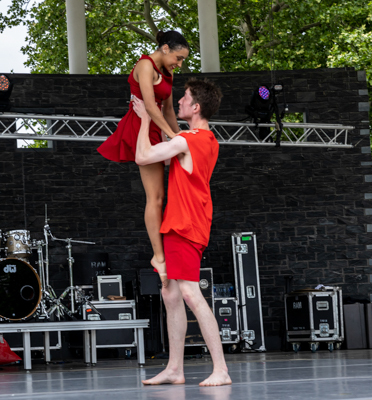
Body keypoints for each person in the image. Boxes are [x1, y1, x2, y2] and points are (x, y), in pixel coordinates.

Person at [133, 79, 232, 387]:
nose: (180, 102)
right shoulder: (205, 139)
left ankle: (221, 370)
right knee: (171, 293)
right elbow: (173, 139)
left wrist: (146, 117)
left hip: (185, 226)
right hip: (185, 224)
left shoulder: (189, 140)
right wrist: (162, 115)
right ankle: (175, 368)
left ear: (196, 107)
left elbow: (143, 156)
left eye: (184, 99)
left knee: (189, 293)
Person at [97, 31, 190, 287]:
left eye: (182, 60)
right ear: (165, 48)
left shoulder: (168, 73)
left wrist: (182, 138)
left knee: (165, 195)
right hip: (141, 128)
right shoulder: (145, 65)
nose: (179, 64)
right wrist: (173, 137)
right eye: (178, 58)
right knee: (156, 197)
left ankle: (164, 252)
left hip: (157, 129)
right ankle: (159, 256)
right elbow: (150, 106)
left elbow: (169, 110)